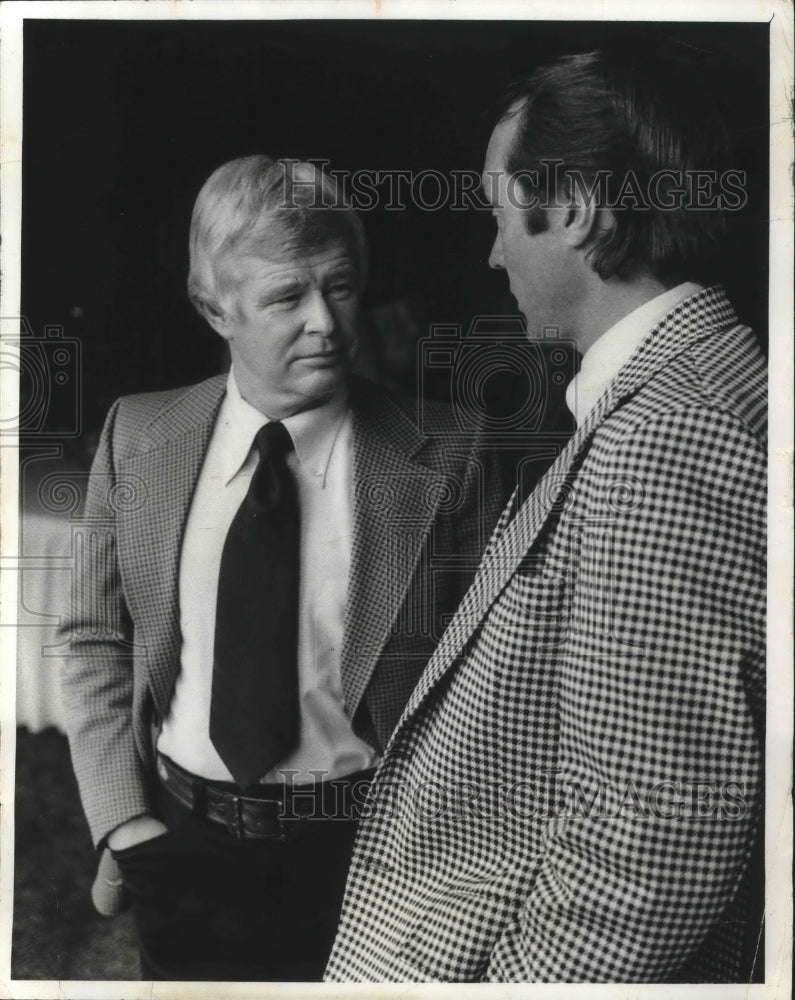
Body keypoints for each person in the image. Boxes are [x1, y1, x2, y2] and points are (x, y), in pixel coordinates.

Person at [325, 43, 766, 983]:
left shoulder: (666, 438)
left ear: (569, 209)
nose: (491, 252)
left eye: (498, 213)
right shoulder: (688, 390)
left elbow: (650, 848)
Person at [61, 155, 504, 982]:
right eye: (284, 298)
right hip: (182, 841)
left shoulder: (452, 454)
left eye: (339, 286)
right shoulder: (137, 437)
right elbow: (91, 639)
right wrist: (125, 826)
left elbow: (484, 685)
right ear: (212, 307)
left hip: (371, 852)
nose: (327, 323)